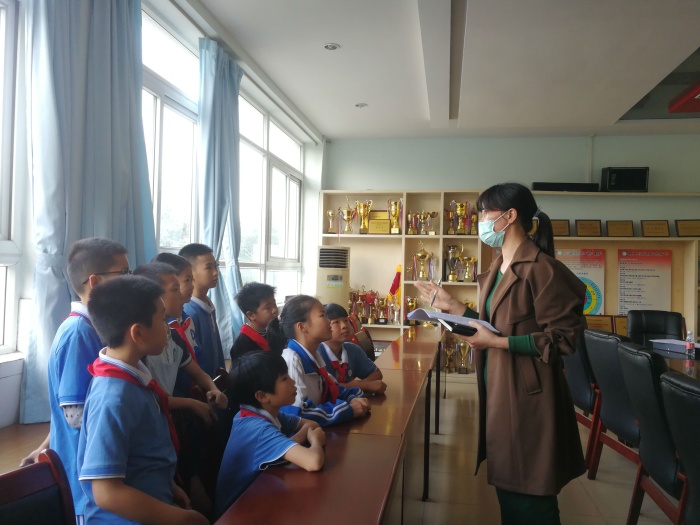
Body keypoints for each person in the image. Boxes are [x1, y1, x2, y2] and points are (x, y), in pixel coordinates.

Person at [415, 182, 585, 525]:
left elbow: (563, 340)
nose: (479, 220)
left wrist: (498, 344)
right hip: (499, 387)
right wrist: (452, 306)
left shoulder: (543, 269)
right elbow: (493, 325)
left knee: (531, 493)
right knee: (510, 485)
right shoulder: (498, 266)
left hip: (529, 396)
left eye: (484, 213)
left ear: (509, 216)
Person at [77, 275, 208, 525]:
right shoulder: (113, 397)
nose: (168, 327)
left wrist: (168, 487)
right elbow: (106, 492)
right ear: (138, 332)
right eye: (162, 319)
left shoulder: (133, 376)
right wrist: (180, 518)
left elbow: (140, 455)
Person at [19, 237, 130, 522]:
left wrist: (44, 445)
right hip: (86, 479)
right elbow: (76, 415)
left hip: (98, 467)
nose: (130, 281)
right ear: (95, 282)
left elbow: (70, 409)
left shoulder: (95, 327)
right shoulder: (79, 332)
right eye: (123, 273)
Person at [215, 351, 325, 518]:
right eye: (284, 379)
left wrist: (292, 442)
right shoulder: (258, 429)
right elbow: (313, 461)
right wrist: (315, 441)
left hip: (260, 499)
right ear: (262, 396)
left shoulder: (259, 412)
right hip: (238, 515)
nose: (293, 381)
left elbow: (311, 424)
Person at [269, 295, 370, 427]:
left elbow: (336, 390)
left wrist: (354, 398)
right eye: (323, 315)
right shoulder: (292, 360)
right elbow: (298, 414)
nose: (329, 321)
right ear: (302, 326)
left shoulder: (314, 356)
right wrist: (349, 410)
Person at [152, 252, 199, 397]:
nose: (192, 286)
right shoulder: (150, 336)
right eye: (187, 280)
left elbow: (193, 363)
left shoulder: (185, 319)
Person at [179, 243, 225, 378]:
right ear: (190, 272)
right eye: (208, 267)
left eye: (216, 266)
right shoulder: (189, 312)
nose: (215, 272)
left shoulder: (207, 305)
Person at [319, 303, 387, 395]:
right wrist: (364, 386)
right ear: (324, 326)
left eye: (346, 320)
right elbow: (324, 389)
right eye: (336, 322)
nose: (344, 326)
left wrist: (359, 385)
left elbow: (376, 374)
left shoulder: (352, 350)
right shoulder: (317, 354)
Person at [230, 282, 279, 359]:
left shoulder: (274, 330)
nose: (275, 310)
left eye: (274, 304)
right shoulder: (242, 345)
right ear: (251, 315)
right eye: (268, 308)